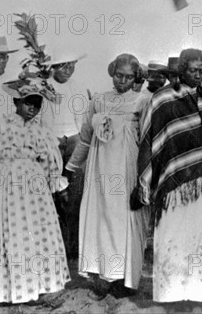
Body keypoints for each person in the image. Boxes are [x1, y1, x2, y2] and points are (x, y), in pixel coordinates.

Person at [133, 48, 202, 308]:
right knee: (176, 236)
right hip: (173, 185)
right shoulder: (162, 100)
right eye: (192, 70)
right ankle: (174, 292)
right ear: (181, 70)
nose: (197, 75)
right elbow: (151, 141)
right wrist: (145, 180)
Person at [65, 54, 149, 299]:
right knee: (102, 217)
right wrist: (71, 168)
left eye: (128, 77)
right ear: (111, 73)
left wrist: (145, 177)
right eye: (118, 75)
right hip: (100, 168)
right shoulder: (99, 100)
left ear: (136, 78)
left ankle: (125, 278)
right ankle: (105, 274)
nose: (122, 81)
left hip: (127, 168)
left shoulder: (143, 101)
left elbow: (147, 141)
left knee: (124, 219)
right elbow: (85, 138)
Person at [0, 75, 70, 305]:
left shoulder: (41, 132)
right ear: (16, 102)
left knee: (35, 229)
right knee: (12, 229)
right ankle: (9, 289)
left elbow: (50, 162)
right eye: (28, 102)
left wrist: (51, 182)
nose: (33, 108)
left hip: (34, 189)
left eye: (37, 104)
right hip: (8, 186)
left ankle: (38, 284)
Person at [39, 53, 89, 259]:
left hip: (74, 139)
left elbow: (83, 119)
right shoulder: (42, 87)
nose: (68, 71)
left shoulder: (77, 88)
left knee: (74, 194)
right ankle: (51, 246)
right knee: (51, 193)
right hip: (51, 141)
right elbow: (39, 119)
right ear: (53, 67)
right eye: (63, 66)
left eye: (72, 66)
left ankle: (72, 247)